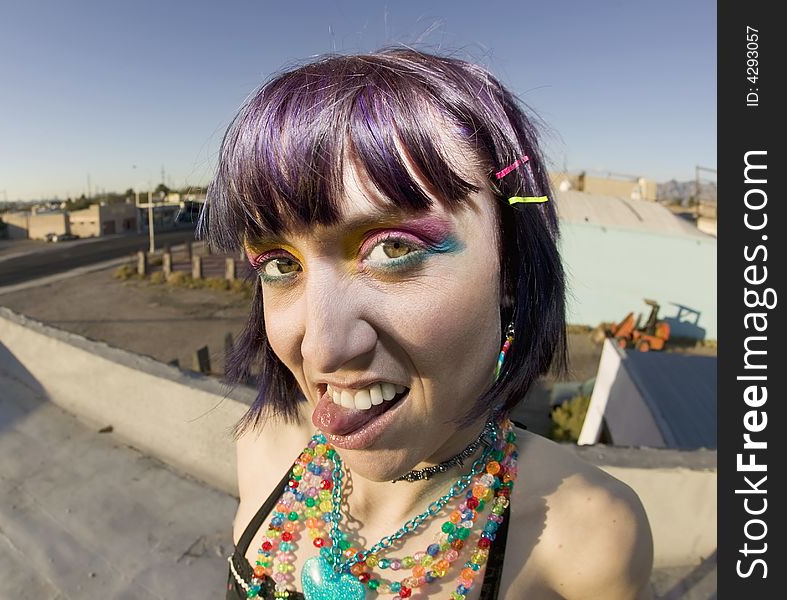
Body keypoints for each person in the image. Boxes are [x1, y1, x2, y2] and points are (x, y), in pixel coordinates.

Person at [200, 49, 653, 600]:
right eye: (280, 264)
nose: (321, 347)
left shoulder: (589, 538)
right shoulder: (262, 447)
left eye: (393, 248)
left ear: (508, 266)